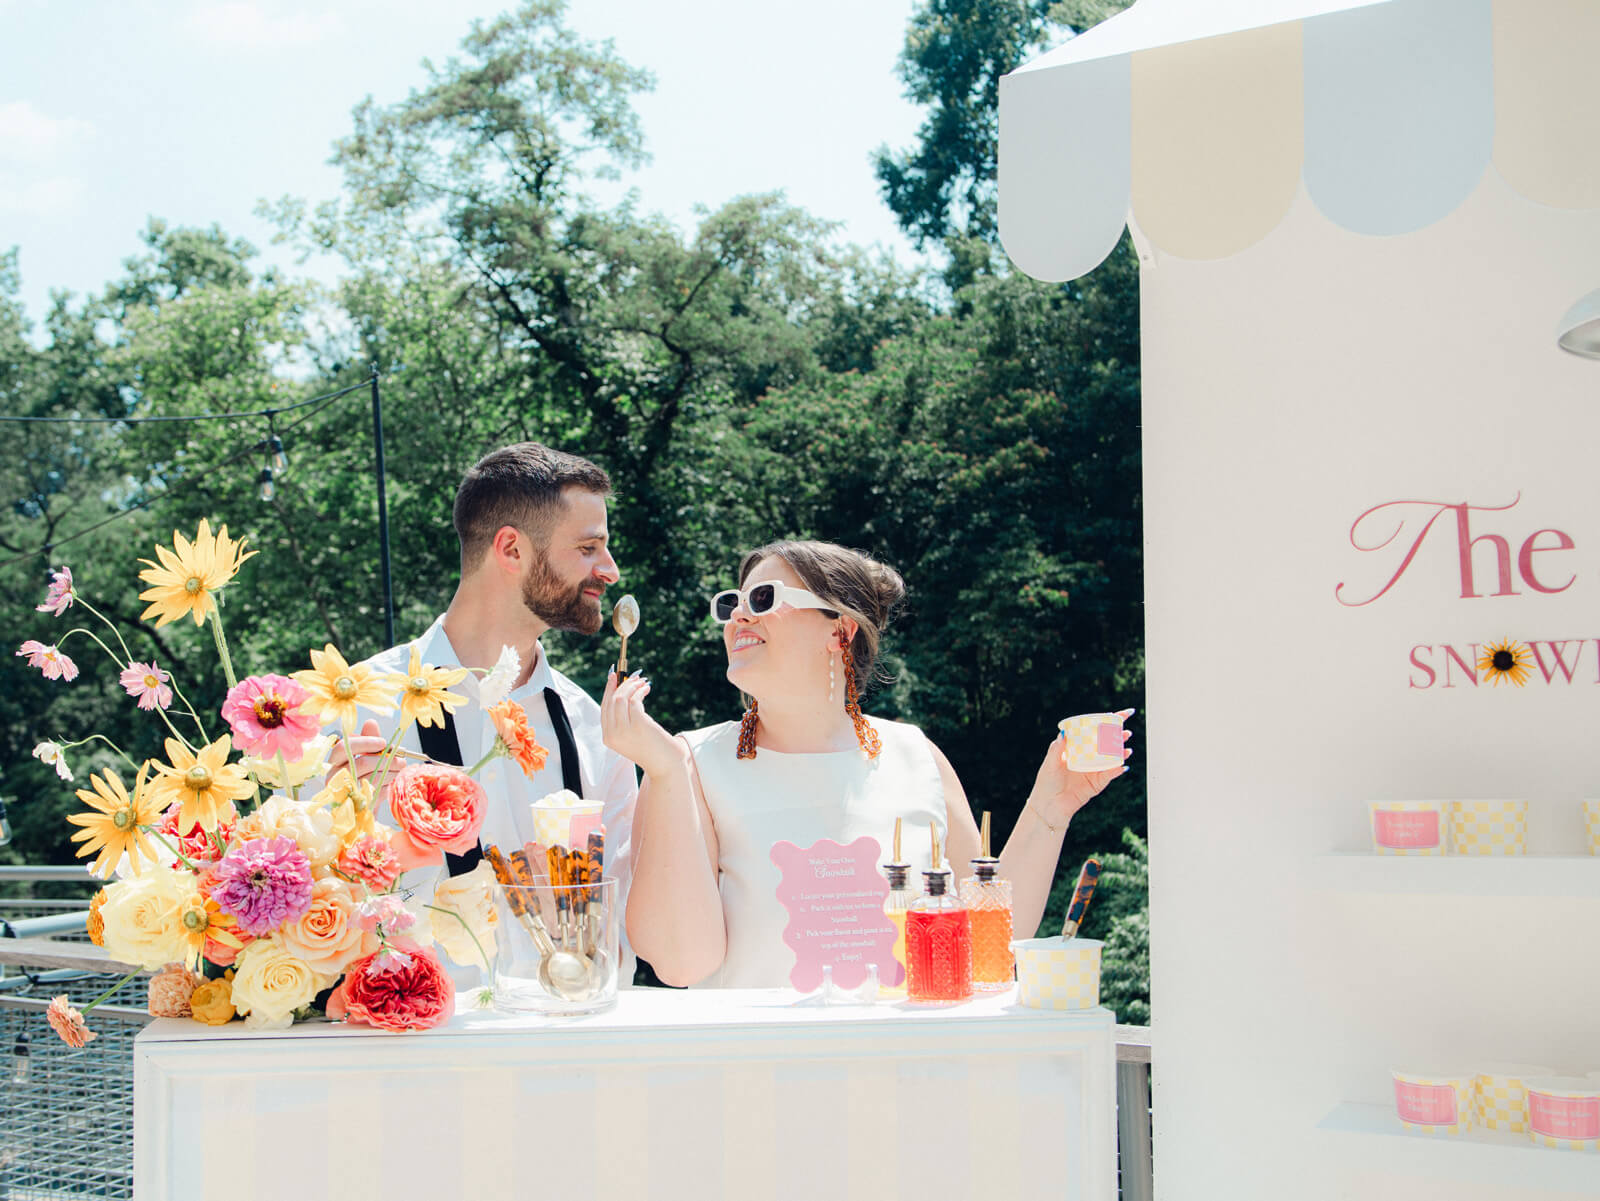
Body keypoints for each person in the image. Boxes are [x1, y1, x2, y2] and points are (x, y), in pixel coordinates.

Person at [601, 539, 1131, 989]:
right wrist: (665, 772)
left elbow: (989, 944)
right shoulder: (688, 764)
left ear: (840, 632)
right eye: (732, 603)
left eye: (764, 599)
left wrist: (1050, 807)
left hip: (909, 1065)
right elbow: (682, 963)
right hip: (759, 1072)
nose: (739, 615)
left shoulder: (917, 757)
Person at [334, 442, 640, 981]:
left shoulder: (596, 730)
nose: (610, 570)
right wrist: (330, 817)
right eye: (589, 547)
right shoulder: (358, 709)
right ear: (511, 549)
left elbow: (620, 937)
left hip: (563, 1027)